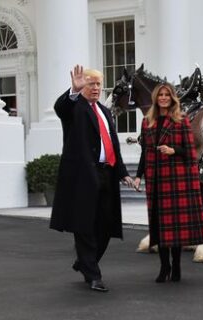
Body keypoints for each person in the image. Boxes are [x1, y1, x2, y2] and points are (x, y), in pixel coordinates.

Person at [50, 65, 135, 292]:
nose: (96, 88)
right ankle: (93, 275)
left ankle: (84, 262)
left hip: (107, 173)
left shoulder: (105, 112)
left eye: (98, 84)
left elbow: (113, 145)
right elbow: (60, 108)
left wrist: (123, 173)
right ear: (82, 85)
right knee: (84, 225)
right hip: (83, 176)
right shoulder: (74, 107)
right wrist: (73, 91)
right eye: (91, 84)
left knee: (106, 225)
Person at [133, 83, 203, 283]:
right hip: (155, 179)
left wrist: (173, 150)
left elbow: (191, 152)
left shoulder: (181, 120)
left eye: (167, 95)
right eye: (161, 95)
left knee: (174, 227)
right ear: (156, 98)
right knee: (158, 226)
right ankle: (163, 266)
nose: (164, 98)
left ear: (172, 98)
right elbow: (144, 152)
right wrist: (138, 176)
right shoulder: (146, 122)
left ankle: (175, 267)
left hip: (175, 180)